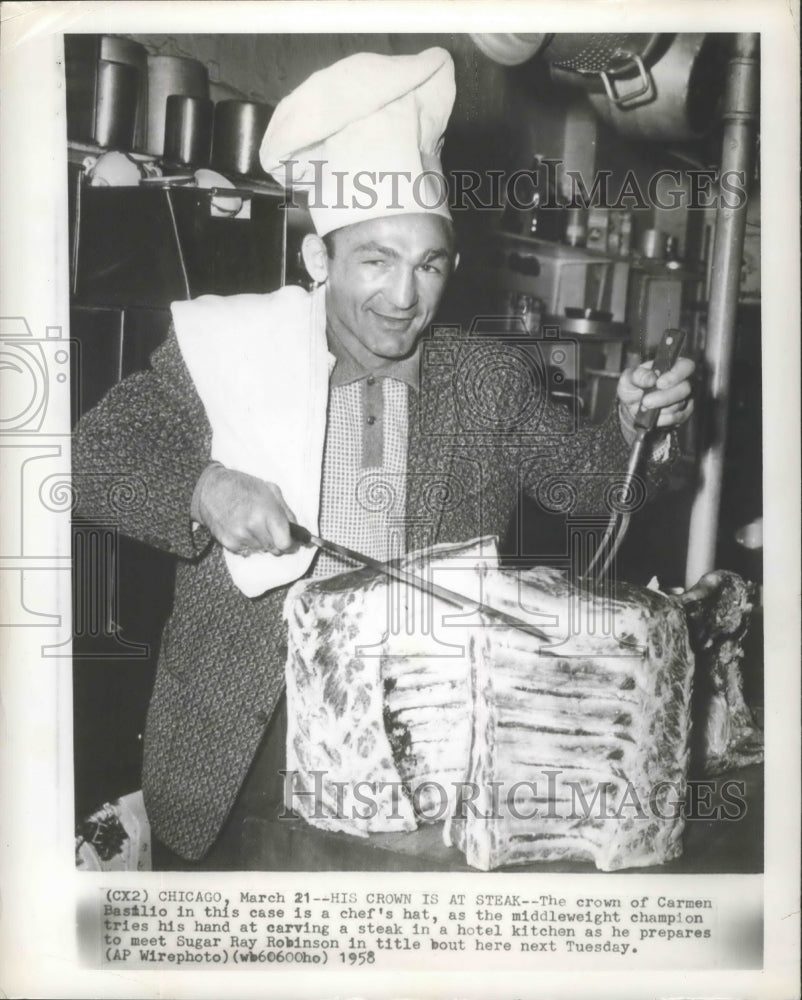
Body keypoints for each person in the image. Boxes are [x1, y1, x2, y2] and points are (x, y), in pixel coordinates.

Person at [73, 48, 694, 867]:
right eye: (375, 260)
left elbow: (587, 483)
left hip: (422, 752)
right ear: (319, 260)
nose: (405, 297)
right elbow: (89, 459)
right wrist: (205, 487)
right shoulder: (227, 352)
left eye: (428, 263)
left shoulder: (485, 378)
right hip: (243, 755)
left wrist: (636, 428)